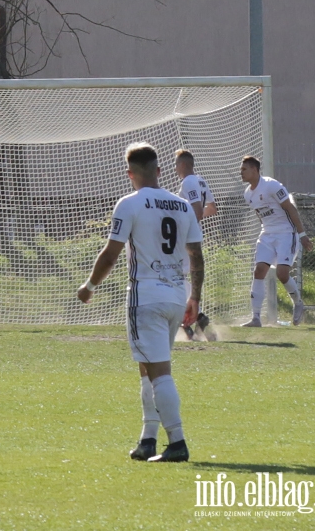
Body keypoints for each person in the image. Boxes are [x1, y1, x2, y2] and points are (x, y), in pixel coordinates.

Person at [78, 143, 204, 463]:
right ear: (160, 171)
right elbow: (196, 256)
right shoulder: (183, 205)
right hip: (177, 296)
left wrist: (90, 285)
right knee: (147, 369)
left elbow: (110, 254)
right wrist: (195, 297)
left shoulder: (130, 203)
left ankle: (177, 442)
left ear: (129, 174)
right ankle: (148, 438)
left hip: (146, 297)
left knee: (159, 372)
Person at [239, 155, 312, 327]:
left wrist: (302, 235)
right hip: (267, 234)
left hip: (286, 233)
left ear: (255, 170)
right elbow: (261, 216)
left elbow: (290, 208)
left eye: (244, 169)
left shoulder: (272, 185)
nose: (240, 172)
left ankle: (298, 303)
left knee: (282, 274)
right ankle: (256, 318)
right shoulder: (248, 194)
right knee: (258, 271)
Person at [175, 149, 218, 340]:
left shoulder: (189, 181)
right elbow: (212, 208)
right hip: (191, 234)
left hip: (185, 237)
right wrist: (195, 222)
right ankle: (198, 319)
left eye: (176, 164)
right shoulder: (201, 180)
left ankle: (192, 320)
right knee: (182, 276)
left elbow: (199, 210)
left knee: (174, 275)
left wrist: (187, 224)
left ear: (182, 164)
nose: (175, 168)